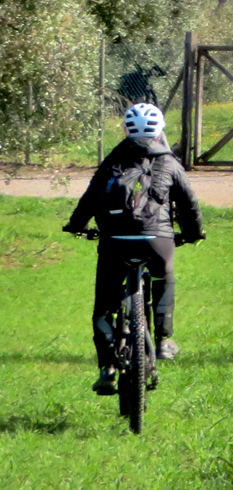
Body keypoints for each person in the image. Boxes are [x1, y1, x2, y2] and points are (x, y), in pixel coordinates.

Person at [63, 104, 205, 393]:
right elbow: (189, 204)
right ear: (160, 130)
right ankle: (163, 341)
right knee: (163, 278)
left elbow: (89, 200)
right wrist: (192, 234)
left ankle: (107, 368)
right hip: (158, 240)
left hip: (114, 241)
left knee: (105, 305)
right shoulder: (169, 163)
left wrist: (76, 226)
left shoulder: (111, 163)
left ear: (126, 130)